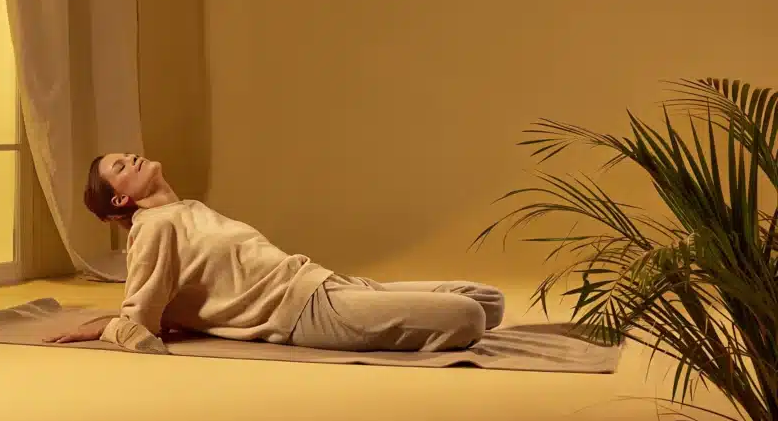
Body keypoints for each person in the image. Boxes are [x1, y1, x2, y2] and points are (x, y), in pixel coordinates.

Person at [44, 153, 506, 355]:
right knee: (467, 317)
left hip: (322, 283)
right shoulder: (151, 229)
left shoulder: (187, 210)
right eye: (120, 167)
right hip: (302, 313)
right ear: (121, 200)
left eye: (128, 154)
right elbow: (141, 320)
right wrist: (108, 327)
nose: (133, 158)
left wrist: (193, 314)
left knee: (488, 301)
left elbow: (189, 291)